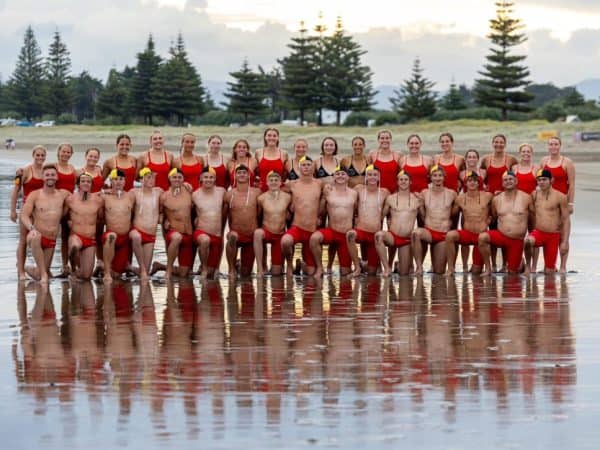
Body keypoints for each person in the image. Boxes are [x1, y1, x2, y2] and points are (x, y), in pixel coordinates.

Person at [20, 164, 70, 283]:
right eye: (47, 175)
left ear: (57, 177)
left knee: (39, 274)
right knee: (44, 275)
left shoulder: (63, 194)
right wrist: (31, 228)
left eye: (52, 175)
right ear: (43, 177)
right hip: (36, 236)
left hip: (51, 239)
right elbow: (24, 215)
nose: (50, 177)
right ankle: (44, 275)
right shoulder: (35, 195)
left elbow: (81, 196)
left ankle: (26, 268)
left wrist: (106, 192)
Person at [478, 170, 533, 275]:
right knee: (482, 237)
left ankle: (521, 263)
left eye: (511, 179)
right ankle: (488, 269)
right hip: (501, 236)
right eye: (505, 180)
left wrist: (531, 234)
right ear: (502, 183)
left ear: (516, 181)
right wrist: (486, 220)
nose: (508, 181)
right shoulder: (496, 199)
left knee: (512, 274)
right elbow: (493, 218)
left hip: (517, 240)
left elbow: (532, 219)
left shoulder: (526, 198)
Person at [310, 166, 358, 278]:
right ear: (333, 177)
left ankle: (354, 264)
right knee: (314, 238)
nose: (340, 176)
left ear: (348, 177)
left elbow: (356, 211)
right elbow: (321, 212)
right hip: (332, 231)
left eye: (343, 174)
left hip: (346, 235)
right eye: (338, 174)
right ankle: (320, 267)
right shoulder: (329, 191)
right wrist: (323, 198)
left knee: (345, 273)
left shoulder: (354, 193)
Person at [375, 170, 423, 276]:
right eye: (401, 179)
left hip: (406, 239)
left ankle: (399, 265)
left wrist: (422, 204)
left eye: (406, 179)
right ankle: (387, 268)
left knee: (404, 273)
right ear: (397, 182)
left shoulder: (416, 199)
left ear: (410, 182)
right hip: (392, 236)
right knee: (379, 236)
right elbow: (381, 217)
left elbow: (423, 219)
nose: (403, 182)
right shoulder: (390, 198)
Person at [445, 171, 493, 275]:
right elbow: (452, 214)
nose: (472, 183)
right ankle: (451, 268)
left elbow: (496, 212)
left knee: (476, 272)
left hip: (481, 236)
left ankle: (488, 268)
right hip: (467, 234)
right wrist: (448, 199)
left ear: (479, 183)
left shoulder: (488, 196)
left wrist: (489, 220)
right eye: (469, 181)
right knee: (450, 235)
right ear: (465, 183)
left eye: (475, 181)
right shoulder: (460, 198)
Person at [281, 156, 323, 277]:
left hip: (312, 230)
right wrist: (288, 209)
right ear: (299, 168)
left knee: (310, 273)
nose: (306, 167)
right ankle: (290, 265)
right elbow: (278, 193)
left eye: (308, 165)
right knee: (285, 241)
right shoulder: (292, 184)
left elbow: (326, 198)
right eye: (303, 165)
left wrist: (320, 214)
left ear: (313, 167)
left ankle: (302, 265)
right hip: (297, 227)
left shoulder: (319, 184)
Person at [413, 165, 458, 275]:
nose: (438, 178)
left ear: (444, 177)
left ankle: (441, 266)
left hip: (443, 234)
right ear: (430, 177)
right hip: (429, 231)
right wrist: (419, 206)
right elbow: (423, 215)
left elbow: (457, 212)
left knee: (439, 271)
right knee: (416, 233)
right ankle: (419, 267)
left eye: (440, 176)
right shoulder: (424, 193)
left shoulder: (452, 194)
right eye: (435, 176)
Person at [524, 169, 571, 274]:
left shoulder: (560, 197)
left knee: (549, 272)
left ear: (551, 180)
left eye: (544, 179)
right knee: (527, 241)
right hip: (539, 232)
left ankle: (551, 268)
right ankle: (528, 266)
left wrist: (565, 241)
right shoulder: (534, 194)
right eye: (539, 180)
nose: (541, 182)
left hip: (553, 235)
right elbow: (529, 213)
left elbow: (566, 219)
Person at [11, 145, 46, 280]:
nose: (40, 158)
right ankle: (21, 271)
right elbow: (15, 191)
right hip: (27, 209)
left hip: (41, 211)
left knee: (39, 238)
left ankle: (40, 268)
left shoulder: (46, 170)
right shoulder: (25, 171)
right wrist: (13, 211)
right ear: (33, 155)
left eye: (42, 155)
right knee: (23, 241)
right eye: (38, 155)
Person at [540, 136, 575, 270]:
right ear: (548, 146)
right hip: (548, 203)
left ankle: (563, 266)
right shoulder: (544, 161)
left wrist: (571, 204)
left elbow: (571, 184)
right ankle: (549, 265)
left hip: (563, 203)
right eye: (551, 144)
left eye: (556, 144)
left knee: (563, 234)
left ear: (560, 146)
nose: (553, 147)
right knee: (549, 232)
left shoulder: (567, 162)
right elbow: (540, 181)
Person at [347, 165, 389, 276]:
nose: (372, 177)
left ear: (379, 177)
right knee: (350, 234)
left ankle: (365, 264)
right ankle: (357, 267)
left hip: (374, 235)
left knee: (372, 273)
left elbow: (389, 212)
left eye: (375, 175)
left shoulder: (384, 192)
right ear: (365, 177)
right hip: (360, 231)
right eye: (369, 174)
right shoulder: (359, 189)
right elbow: (348, 201)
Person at [153, 168, 194, 279]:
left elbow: (196, 208)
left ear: (183, 179)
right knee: (176, 238)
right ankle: (169, 270)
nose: (177, 179)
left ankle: (160, 266)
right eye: (174, 177)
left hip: (188, 232)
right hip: (173, 231)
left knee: (183, 273)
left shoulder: (188, 191)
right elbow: (160, 214)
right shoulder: (164, 196)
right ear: (169, 178)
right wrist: (164, 220)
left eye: (179, 177)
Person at [223, 165, 261, 279]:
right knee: (233, 236)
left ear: (249, 175)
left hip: (250, 235)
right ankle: (231, 268)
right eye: (239, 173)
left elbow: (260, 213)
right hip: (236, 234)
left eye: (244, 173)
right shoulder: (229, 194)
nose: (242, 174)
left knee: (246, 274)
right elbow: (225, 215)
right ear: (235, 176)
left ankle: (239, 265)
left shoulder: (256, 192)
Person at [65, 172, 104, 280]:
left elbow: (101, 218)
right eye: (83, 181)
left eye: (88, 181)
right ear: (78, 184)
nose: (86, 183)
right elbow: (64, 216)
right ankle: (73, 269)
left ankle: (76, 273)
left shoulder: (98, 200)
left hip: (90, 239)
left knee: (86, 277)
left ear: (91, 184)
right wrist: (68, 222)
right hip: (76, 236)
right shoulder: (70, 199)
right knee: (74, 247)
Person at [254, 171, 292, 277]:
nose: (274, 182)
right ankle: (260, 268)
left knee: (276, 273)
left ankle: (285, 266)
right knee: (257, 233)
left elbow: (291, 214)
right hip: (267, 232)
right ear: (267, 183)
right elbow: (258, 216)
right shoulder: (261, 198)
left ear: (281, 183)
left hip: (280, 234)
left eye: (276, 180)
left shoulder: (287, 197)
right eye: (271, 180)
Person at [192, 167, 227, 280]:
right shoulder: (195, 195)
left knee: (211, 275)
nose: (208, 179)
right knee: (205, 240)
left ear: (215, 179)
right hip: (201, 233)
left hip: (216, 235)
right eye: (206, 177)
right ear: (201, 178)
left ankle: (207, 269)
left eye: (211, 177)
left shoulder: (222, 192)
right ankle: (204, 267)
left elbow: (230, 206)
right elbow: (184, 210)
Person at [102, 169, 135, 282]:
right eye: (115, 179)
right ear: (111, 181)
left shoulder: (131, 196)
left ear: (125, 181)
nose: (118, 182)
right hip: (110, 237)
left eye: (121, 179)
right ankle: (106, 272)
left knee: (117, 275)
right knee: (111, 236)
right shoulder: (104, 196)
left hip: (124, 239)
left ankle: (101, 267)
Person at [130, 167, 163, 280]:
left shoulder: (158, 192)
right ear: (141, 180)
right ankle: (140, 269)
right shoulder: (134, 192)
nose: (151, 180)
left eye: (153, 177)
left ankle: (130, 268)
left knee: (146, 273)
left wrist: (185, 186)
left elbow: (171, 196)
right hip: (137, 231)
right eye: (148, 177)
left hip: (150, 235)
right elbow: (121, 199)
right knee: (136, 236)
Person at [55, 143, 78, 277]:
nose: (65, 154)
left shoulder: (72, 169)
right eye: (63, 152)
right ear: (58, 152)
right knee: (57, 237)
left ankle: (72, 266)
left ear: (71, 154)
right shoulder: (54, 167)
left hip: (69, 207)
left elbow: (77, 184)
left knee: (69, 236)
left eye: (68, 152)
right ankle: (64, 265)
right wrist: (21, 172)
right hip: (56, 206)